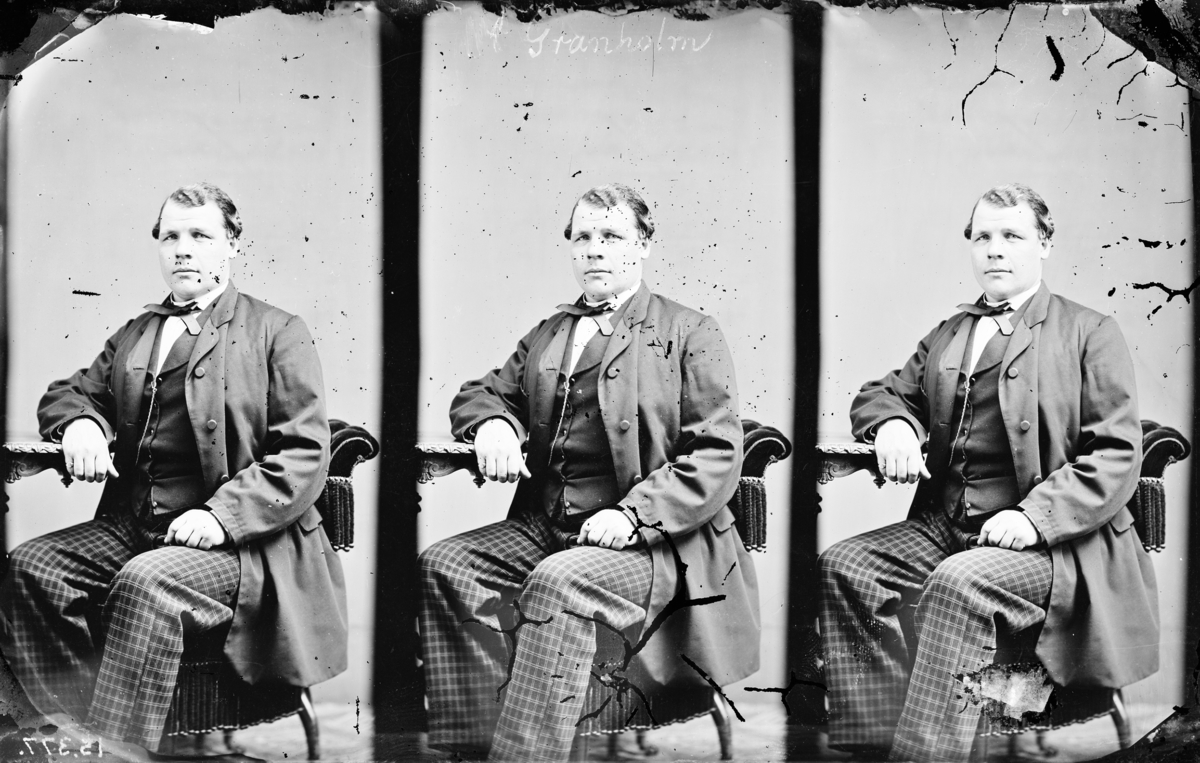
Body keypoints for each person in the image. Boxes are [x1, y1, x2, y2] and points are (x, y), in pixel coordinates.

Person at [0, 183, 346, 757]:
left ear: (232, 244)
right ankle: (72, 730)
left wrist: (221, 517)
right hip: (139, 526)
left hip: (244, 548)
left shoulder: (277, 330)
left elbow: (305, 451)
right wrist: (80, 423)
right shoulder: (139, 333)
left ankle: (119, 751)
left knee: (148, 581)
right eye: (170, 237)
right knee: (33, 567)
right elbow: (71, 392)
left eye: (200, 236)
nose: (182, 249)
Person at [819, 184, 1156, 762]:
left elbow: (1117, 453)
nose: (994, 249)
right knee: (845, 565)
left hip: (1057, 548)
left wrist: (1034, 518)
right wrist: (892, 423)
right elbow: (884, 392)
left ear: (1044, 244)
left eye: (1012, 236)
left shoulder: (1090, 331)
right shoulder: (951, 332)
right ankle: (877, 740)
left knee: (960, 581)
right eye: (982, 237)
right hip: (949, 525)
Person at [419, 184, 757, 762]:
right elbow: (483, 392)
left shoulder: (690, 331)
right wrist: (492, 424)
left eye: (612, 236)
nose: (594, 249)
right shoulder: (551, 332)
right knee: (445, 564)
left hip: (655, 545)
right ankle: (479, 742)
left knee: (560, 580)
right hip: (551, 526)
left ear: (643, 244)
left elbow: (717, 452)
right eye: (582, 237)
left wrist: (633, 516)